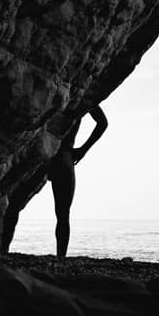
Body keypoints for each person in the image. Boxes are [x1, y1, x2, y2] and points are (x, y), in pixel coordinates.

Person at [46, 105, 108, 258]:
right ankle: (61, 257)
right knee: (62, 214)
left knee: (13, 205)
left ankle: (2, 251)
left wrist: (83, 150)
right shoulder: (83, 97)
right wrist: (83, 150)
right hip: (63, 155)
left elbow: (103, 123)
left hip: (45, 150)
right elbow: (102, 122)